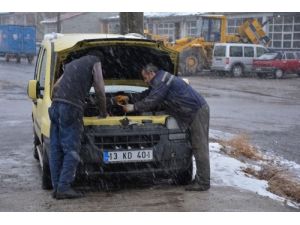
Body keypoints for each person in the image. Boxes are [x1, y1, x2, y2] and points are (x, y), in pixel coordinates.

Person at [115, 63, 210, 191]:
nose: (145, 81)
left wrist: (133, 107)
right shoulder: (160, 79)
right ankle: (200, 179)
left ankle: (203, 182)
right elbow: (148, 93)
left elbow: (152, 100)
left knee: (200, 147)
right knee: (196, 146)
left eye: (145, 78)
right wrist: (130, 97)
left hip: (196, 111)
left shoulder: (162, 80)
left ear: (151, 73)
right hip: (190, 112)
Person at [48, 53, 107, 199]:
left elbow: (55, 87)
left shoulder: (72, 64)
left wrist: (63, 100)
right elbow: (100, 89)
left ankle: (57, 187)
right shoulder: (95, 60)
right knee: (71, 150)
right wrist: (103, 112)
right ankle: (64, 188)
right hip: (71, 108)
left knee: (56, 149)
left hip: (56, 106)